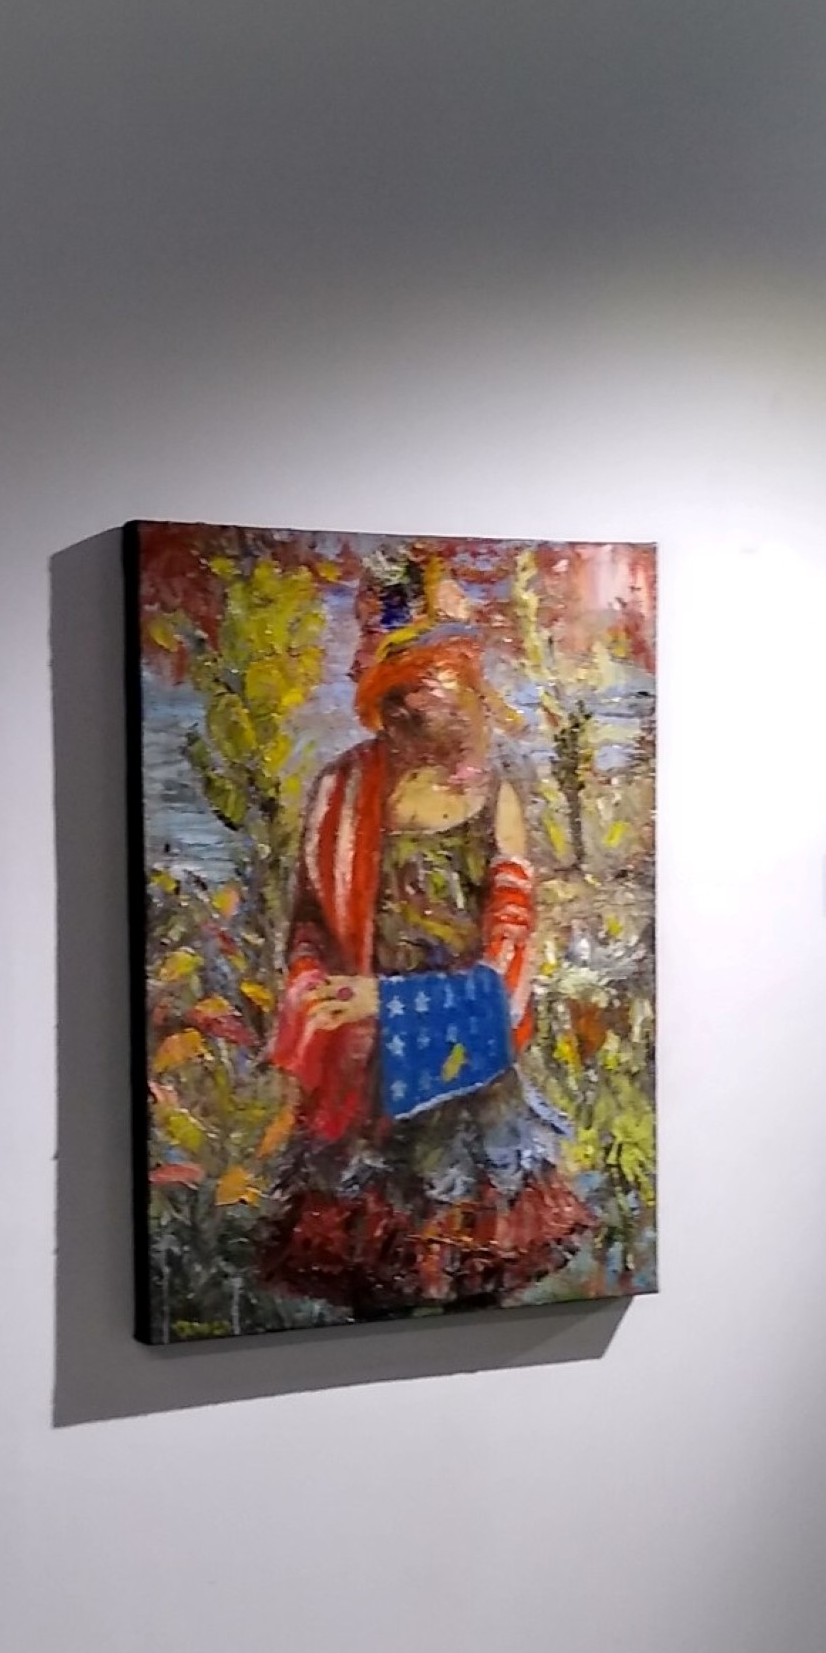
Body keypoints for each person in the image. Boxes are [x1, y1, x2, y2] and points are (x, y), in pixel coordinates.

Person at [259, 548, 588, 1318]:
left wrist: (387, 1000)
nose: (423, 705)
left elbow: (508, 967)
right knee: (375, 1288)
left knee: (474, 1279)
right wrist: (313, 990)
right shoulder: (340, 792)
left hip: (464, 1082)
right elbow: (309, 926)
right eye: (405, 689)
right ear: (383, 696)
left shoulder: (496, 798)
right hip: (364, 1086)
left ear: (467, 684)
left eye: (440, 682)